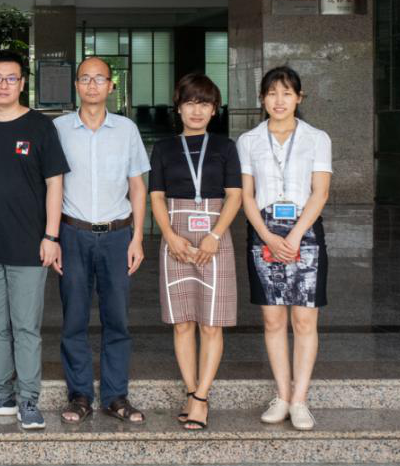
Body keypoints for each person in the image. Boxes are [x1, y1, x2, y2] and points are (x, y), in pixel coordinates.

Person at [0, 49, 67, 430]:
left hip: (29, 244)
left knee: (25, 327)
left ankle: (28, 400)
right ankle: (1, 395)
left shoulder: (41, 127)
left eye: (11, 78)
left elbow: (55, 183)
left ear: (22, 83)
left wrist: (51, 235)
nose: (3, 85)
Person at [53, 56, 149, 424]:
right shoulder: (58, 129)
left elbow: (137, 186)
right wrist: (52, 237)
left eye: (99, 79)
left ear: (111, 85)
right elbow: (49, 187)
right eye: (85, 79)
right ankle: (79, 396)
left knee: (118, 320)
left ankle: (115, 396)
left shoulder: (126, 129)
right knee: (74, 319)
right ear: (76, 85)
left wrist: (137, 238)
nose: (92, 85)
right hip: (72, 233)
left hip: (117, 235)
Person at [237, 66, 331, 432]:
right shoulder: (249, 140)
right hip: (263, 232)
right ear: (262, 98)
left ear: (299, 98)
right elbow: (246, 195)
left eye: (287, 93)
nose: (279, 100)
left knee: (304, 319)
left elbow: (320, 192)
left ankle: (300, 399)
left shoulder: (316, 138)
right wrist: (266, 236)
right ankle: (282, 395)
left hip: (305, 234)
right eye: (272, 93)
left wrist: (294, 237)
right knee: (273, 319)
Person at [149, 74, 242, 431]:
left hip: (214, 237)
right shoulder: (163, 148)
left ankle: (202, 397)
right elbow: (157, 196)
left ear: (215, 109)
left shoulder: (225, 146)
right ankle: (191, 391)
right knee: (182, 322)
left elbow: (234, 195)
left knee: (211, 323)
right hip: (176, 235)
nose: (197, 110)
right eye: (190, 102)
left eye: (204, 103)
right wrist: (169, 236)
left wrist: (215, 235)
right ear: (178, 108)